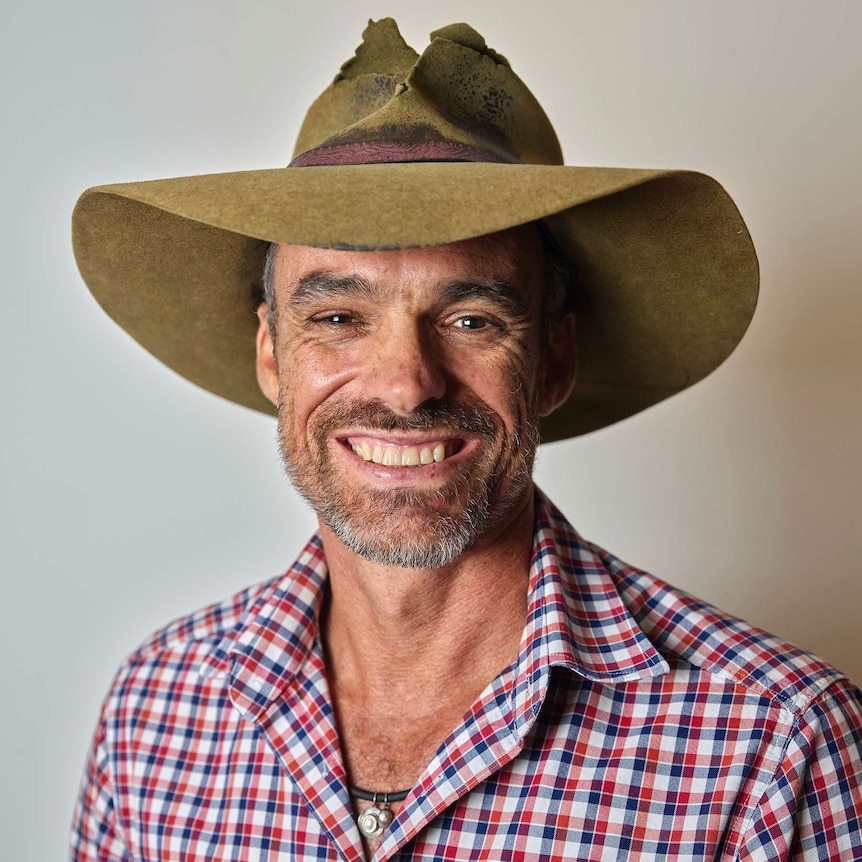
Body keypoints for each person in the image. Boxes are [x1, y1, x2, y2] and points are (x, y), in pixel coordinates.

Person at [69, 18, 862, 862]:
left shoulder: (776, 750)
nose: (407, 383)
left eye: (471, 318)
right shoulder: (157, 708)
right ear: (272, 352)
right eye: (338, 317)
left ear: (553, 359)